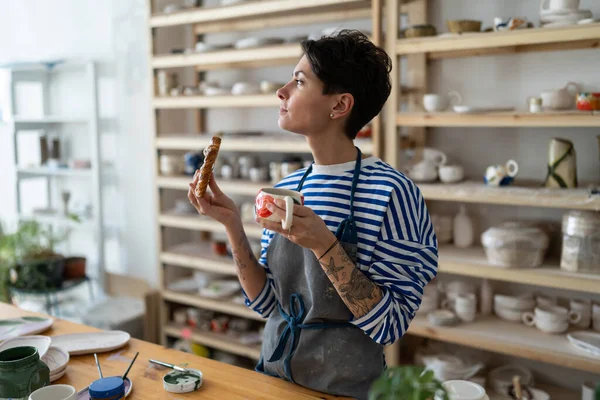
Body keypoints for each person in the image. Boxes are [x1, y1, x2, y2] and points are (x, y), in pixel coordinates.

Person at [188, 29, 438, 400]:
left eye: (300, 81)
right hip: (273, 380)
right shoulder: (288, 187)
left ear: (339, 106)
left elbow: (391, 325)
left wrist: (325, 245)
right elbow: (268, 304)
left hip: (344, 391)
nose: (282, 91)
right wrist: (231, 224)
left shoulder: (392, 193)